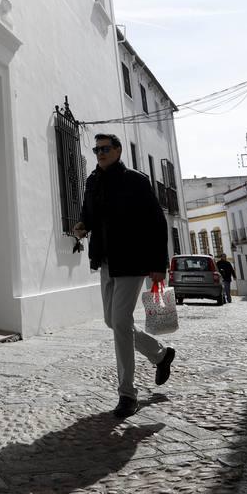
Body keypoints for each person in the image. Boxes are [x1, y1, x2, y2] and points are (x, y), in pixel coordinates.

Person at [73, 133, 175, 418]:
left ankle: (127, 394)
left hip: (133, 262)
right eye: (96, 149)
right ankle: (160, 355)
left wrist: (159, 264)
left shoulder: (136, 181)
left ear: (118, 150)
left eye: (105, 148)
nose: (100, 153)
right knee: (112, 321)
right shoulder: (92, 182)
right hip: (106, 262)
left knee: (120, 321)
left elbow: (157, 223)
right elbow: (88, 216)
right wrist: (82, 226)